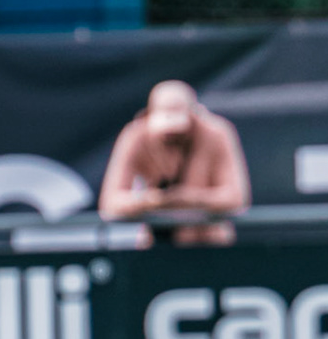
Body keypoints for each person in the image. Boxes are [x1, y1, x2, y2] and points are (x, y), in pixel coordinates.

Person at [97, 80, 250, 247]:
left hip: (208, 243)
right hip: (156, 242)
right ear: (149, 115)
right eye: (165, 132)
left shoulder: (216, 133)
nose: (171, 137)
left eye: (179, 132)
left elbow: (236, 199)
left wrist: (189, 199)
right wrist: (152, 200)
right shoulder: (135, 136)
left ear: (193, 116)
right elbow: (110, 204)